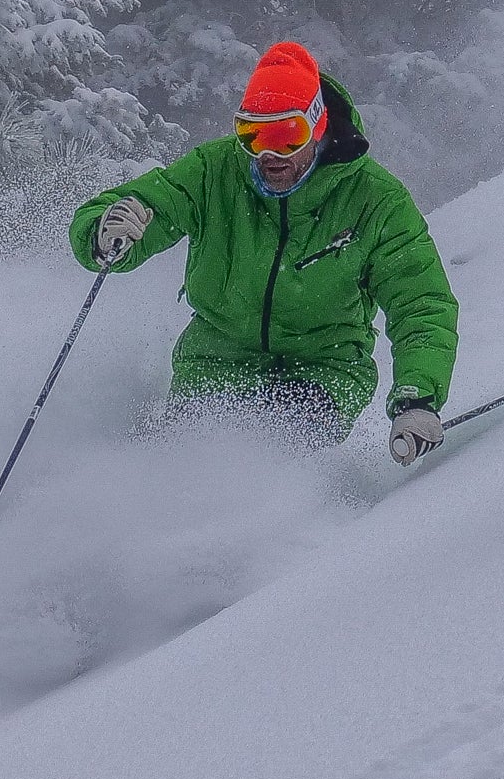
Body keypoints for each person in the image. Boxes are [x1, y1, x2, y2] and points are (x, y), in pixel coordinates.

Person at [69, 41, 460, 463]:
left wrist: (416, 398)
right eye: (252, 134)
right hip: (215, 359)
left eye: (286, 135)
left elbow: (420, 304)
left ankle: (291, 523)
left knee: (275, 450)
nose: (269, 154)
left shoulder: (374, 201)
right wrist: (105, 231)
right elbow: (156, 203)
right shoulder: (213, 171)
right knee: (188, 462)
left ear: (317, 125)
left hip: (324, 368)